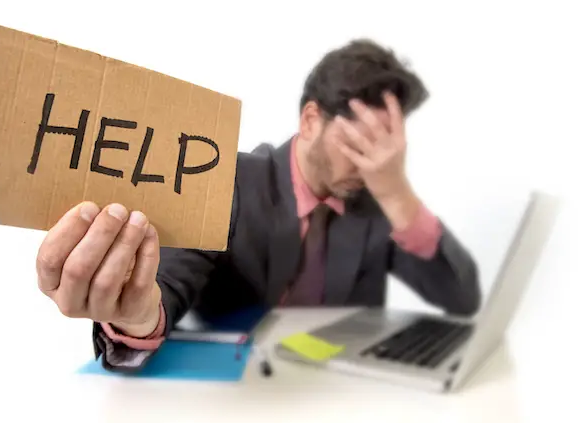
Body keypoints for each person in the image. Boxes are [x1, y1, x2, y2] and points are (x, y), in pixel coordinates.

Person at [36, 39, 481, 372]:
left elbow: (460, 298)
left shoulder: (380, 201)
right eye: (362, 142)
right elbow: (164, 289)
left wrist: (399, 193)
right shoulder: (225, 180)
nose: (373, 164)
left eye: (388, 148)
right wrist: (137, 314)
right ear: (311, 121)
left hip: (338, 393)